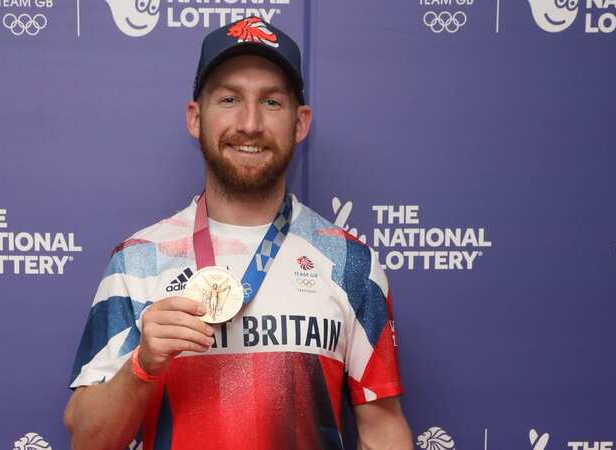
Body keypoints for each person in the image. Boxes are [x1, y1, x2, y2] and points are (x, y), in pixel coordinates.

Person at [63, 17, 413, 450]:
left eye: (271, 102)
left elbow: (383, 430)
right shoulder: (138, 261)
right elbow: (86, 440)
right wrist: (143, 365)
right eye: (229, 99)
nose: (249, 123)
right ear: (195, 118)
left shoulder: (350, 263)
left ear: (301, 123)